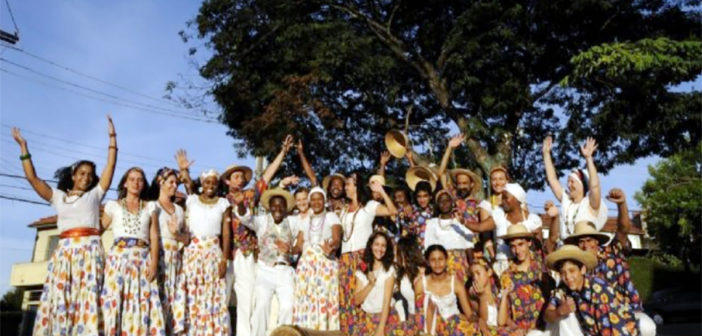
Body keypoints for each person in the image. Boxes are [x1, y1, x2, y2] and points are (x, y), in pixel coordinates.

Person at [12, 116, 117, 336]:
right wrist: (24, 148)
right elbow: (33, 178)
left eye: (90, 175)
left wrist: (112, 140)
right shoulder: (58, 197)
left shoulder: (95, 195)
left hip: (90, 254)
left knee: (89, 299)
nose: (86, 178)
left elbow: (110, 167)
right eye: (82, 173)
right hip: (65, 255)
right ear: (73, 176)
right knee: (61, 299)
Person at [561, 188, 655, 336]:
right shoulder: (573, 268)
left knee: (647, 326)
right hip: (589, 321)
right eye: (581, 242)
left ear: (597, 242)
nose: (585, 246)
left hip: (623, 314)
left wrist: (622, 204)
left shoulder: (610, 254)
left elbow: (623, 230)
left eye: (589, 240)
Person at [101, 167, 165, 335]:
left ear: (144, 184)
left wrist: (153, 264)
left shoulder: (150, 206)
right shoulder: (112, 206)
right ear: (125, 183)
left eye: (140, 180)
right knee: (114, 303)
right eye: (132, 179)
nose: (136, 183)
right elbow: (97, 230)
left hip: (142, 260)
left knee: (140, 305)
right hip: (117, 261)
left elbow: (154, 236)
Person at [339, 173, 398, 334]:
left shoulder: (369, 206)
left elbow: (393, 211)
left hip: (361, 257)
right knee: (346, 300)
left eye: (348, 184)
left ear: (357, 186)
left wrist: (382, 191)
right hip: (344, 259)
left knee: (363, 296)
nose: (346, 187)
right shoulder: (343, 209)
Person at [175, 169, 231, 335]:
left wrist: (224, 260)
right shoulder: (191, 200)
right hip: (193, 254)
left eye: (214, 182)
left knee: (213, 295)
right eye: (207, 182)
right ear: (201, 183)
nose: (210, 185)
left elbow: (226, 233)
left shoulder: (223, 203)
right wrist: (184, 170)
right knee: (193, 293)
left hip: (214, 253)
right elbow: (185, 184)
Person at [235, 189, 297, 336]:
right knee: (261, 305)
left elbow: (300, 240)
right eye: (274, 205)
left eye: (281, 205)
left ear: (286, 207)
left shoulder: (293, 221)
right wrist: (240, 204)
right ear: (269, 207)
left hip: (285, 271)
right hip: (265, 270)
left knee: (288, 306)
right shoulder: (262, 221)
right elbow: (246, 218)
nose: (277, 209)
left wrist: (291, 249)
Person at [544, 245, 639, 336]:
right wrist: (559, 311)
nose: (568, 277)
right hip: (590, 332)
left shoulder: (600, 291)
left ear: (583, 270)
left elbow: (612, 330)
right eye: (563, 273)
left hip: (619, 330)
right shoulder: (563, 288)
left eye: (572, 271)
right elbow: (547, 315)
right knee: (563, 317)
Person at [292, 186, 342, 330]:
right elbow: (299, 246)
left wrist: (332, 247)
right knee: (306, 299)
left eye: (319, 199)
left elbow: (336, 238)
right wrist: (288, 250)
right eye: (312, 200)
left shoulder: (332, 216)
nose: (316, 202)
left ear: (324, 200)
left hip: (325, 262)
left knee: (323, 298)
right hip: (306, 265)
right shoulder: (305, 219)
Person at [542, 136, 607, 241]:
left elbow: (594, 187)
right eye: (568, 181)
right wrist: (546, 154)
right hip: (565, 249)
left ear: (582, 185)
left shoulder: (591, 203)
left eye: (572, 181)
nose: (569, 185)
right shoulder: (566, 201)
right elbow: (553, 180)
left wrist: (589, 158)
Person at [149, 167, 190, 334]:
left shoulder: (179, 210)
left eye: (176, 183)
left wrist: (176, 234)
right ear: (161, 182)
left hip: (176, 259)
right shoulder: (152, 206)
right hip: (158, 256)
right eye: (171, 182)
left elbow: (187, 239)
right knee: (159, 301)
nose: (175, 186)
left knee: (176, 301)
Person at [353, 231, 416, 336]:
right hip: (367, 319)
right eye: (376, 244)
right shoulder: (362, 270)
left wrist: (381, 329)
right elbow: (356, 300)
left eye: (383, 246)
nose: (380, 249)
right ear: (371, 245)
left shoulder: (389, 270)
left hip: (386, 319)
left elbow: (386, 302)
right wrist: (370, 284)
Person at [414, 245, 481, 336]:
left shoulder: (456, 283)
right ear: (428, 262)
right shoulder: (421, 284)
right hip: (431, 328)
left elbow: (469, 314)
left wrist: (479, 321)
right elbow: (419, 313)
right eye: (433, 260)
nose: (437, 263)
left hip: (453, 327)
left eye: (440, 259)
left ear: (446, 260)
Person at [498, 224, 550, 333]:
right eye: (513, 246)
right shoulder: (507, 276)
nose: (517, 250)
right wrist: (515, 328)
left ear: (529, 243)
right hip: (520, 330)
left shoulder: (541, 267)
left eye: (520, 244)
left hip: (545, 326)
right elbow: (505, 314)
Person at [488, 183, 543, 277]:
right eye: (512, 246)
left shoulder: (531, 219)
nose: (503, 201)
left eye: (506, 197)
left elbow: (540, 246)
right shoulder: (499, 215)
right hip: (504, 264)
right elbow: (480, 227)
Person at [424, 190, 475, 285]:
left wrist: (471, 266)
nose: (444, 204)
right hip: (441, 263)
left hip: (460, 263)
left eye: (447, 200)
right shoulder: (432, 223)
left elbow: (469, 245)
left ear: (452, 203)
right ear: (437, 204)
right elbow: (428, 247)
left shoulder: (460, 220)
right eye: (441, 201)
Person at [394, 235, 425, 322]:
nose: (395, 255)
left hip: (425, 318)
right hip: (412, 317)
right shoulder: (401, 273)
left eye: (397, 252)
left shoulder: (422, 272)